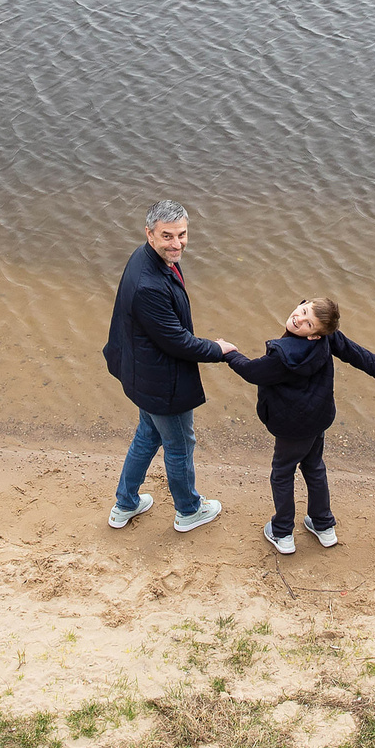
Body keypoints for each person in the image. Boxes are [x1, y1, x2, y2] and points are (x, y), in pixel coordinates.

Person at [219, 297, 375, 555]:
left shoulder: (283, 356)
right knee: (314, 467)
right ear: (302, 303)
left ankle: (282, 532)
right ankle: (323, 525)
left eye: (308, 322)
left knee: (282, 473)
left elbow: (252, 372)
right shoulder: (328, 338)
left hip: (292, 427)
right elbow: (358, 355)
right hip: (318, 418)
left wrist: (228, 353)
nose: (299, 319)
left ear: (315, 335)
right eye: (302, 311)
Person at [101, 201, 229, 532]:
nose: (176, 243)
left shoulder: (149, 257)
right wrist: (217, 349)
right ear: (150, 234)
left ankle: (125, 504)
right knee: (179, 445)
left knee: (147, 434)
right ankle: (188, 510)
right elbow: (177, 342)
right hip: (161, 382)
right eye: (167, 236)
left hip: (142, 372)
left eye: (182, 234)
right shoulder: (149, 285)